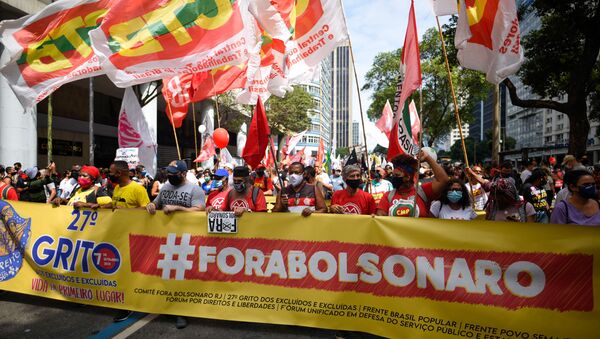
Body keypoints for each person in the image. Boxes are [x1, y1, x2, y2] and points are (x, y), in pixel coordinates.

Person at [376, 151, 449, 218]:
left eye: (397, 175)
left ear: (408, 177)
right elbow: (381, 220)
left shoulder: (422, 192)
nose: (394, 178)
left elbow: (444, 181)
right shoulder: (388, 196)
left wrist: (428, 158)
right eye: (393, 175)